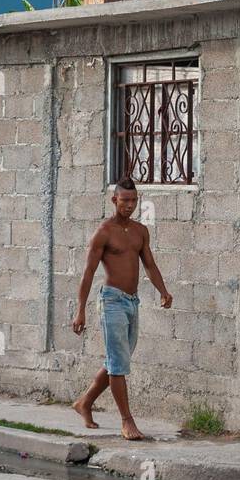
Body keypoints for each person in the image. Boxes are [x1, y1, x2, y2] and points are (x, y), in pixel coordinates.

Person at [70, 177, 172, 440]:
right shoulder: (103, 232)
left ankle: (85, 402)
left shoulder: (140, 231)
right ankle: (127, 421)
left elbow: (149, 264)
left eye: (134, 200)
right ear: (114, 200)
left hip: (132, 301)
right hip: (112, 301)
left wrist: (163, 290)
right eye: (124, 200)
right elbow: (88, 273)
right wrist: (80, 310)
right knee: (118, 363)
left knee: (118, 360)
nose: (129, 205)